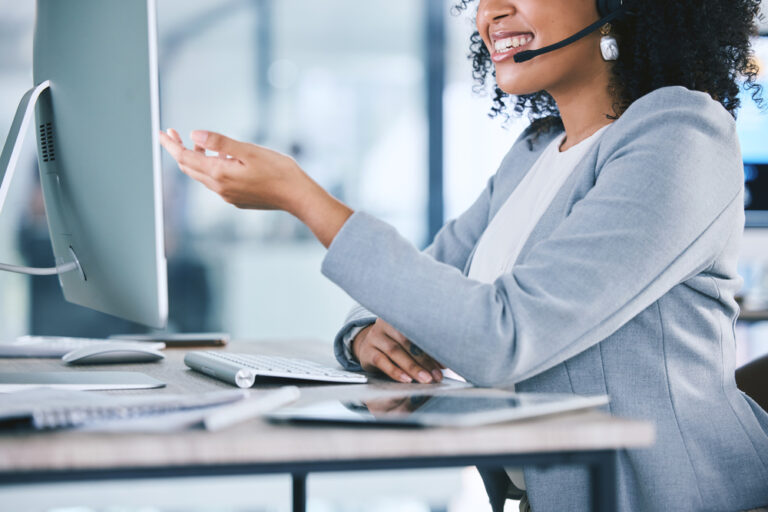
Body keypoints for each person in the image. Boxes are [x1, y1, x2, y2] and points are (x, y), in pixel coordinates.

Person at [159, 0, 768, 509]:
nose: (488, 13)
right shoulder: (534, 154)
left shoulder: (680, 133)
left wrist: (304, 199)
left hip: (672, 498)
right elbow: (412, 288)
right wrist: (368, 338)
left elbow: (502, 334)